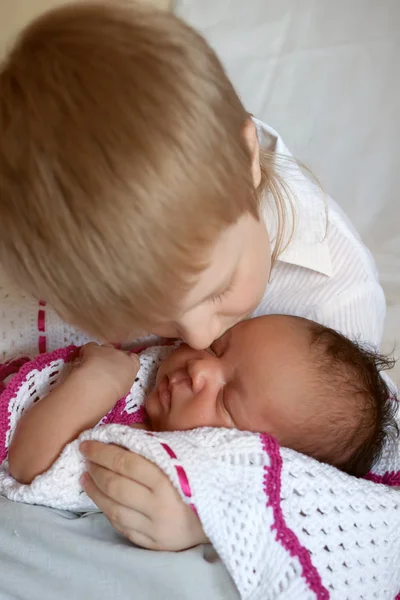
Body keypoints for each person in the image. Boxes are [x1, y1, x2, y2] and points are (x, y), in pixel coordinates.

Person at [0, 1, 387, 550]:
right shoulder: (54, 250)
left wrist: (207, 521)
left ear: (246, 157)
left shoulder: (335, 300)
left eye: (220, 291)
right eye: (147, 316)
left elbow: (318, 487)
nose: (199, 341)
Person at [8, 315, 396, 493]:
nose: (202, 368)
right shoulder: (166, 379)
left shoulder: (160, 462)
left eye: (226, 399)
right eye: (218, 344)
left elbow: (30, 463)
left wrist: (98, 382)